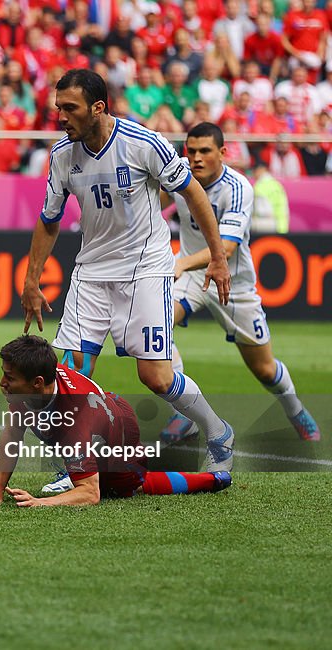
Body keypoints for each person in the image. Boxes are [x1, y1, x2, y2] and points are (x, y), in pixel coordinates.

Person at [20, 70, 235, 480]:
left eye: (70, 108)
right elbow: (49, 220)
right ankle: (77, 464)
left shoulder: (144, 143)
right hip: (91, 271)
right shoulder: (62, 154)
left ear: (98, 108)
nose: (61, 117)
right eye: (58, 108)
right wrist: (32, 281)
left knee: (155, 376)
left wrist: (217, 258)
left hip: (145, 269)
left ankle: (218, 432)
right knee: (70, 371)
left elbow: (193, 193)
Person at [162, 122, 319, 442]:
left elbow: (226, 249)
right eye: (190, 151)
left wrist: (180, 262)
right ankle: (185, 412)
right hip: (192, 277)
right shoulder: (177, 176)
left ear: (222, 153)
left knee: (264, 369)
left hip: (234, 283)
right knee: (156, 326)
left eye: (205, 151)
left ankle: (295, 409)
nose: (196, 158)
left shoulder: (238, 187)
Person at [0, 335, 232, 508]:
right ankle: (74, 470)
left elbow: (90, 495)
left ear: (37, 384)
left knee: (130, 486)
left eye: (9, 378)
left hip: (119, 434)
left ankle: (213, 480)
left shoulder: (74, 419)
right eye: (4, 374)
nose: (2, 383)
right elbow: (12, 434)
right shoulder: (30, 385)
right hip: (100, 411)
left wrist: (42, 502)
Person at [251, 162, 289, 234]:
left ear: (260, 170)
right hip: (282, 225)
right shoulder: (277, 184)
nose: (253, 175)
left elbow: (261, 211)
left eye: (254, 172)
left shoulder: (260, 185)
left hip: (270, 224)